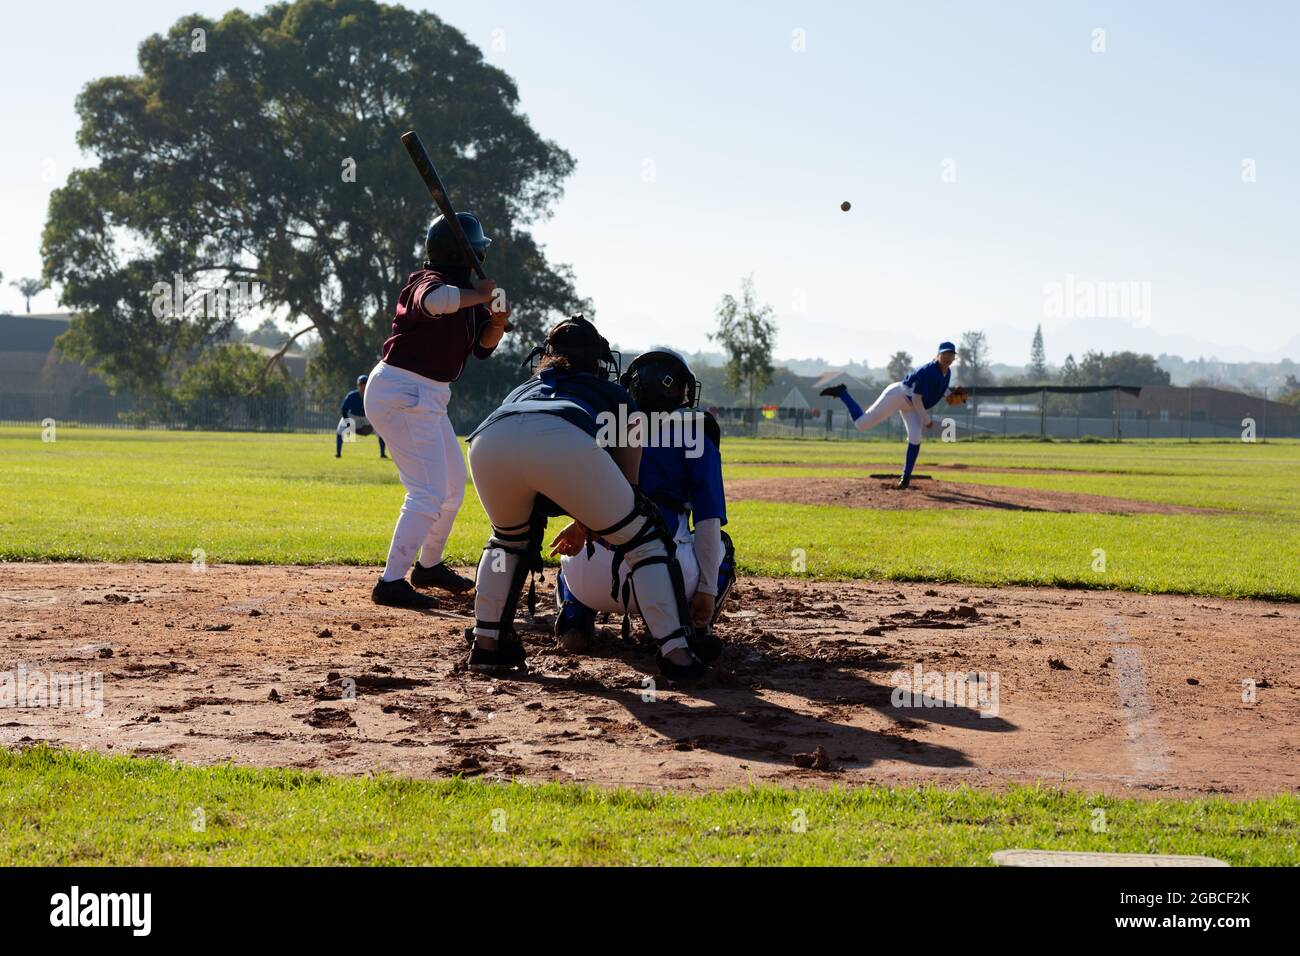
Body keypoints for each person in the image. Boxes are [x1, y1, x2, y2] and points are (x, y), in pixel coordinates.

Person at [465, 317, 719, 681]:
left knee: (507, 540)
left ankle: (487, 645)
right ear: (599, 363)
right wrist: (599, 520)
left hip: (488, 437)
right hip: (563, 432)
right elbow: (626, 484)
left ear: (546, 356)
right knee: (646, 538)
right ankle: (677, 654)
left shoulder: (523, 388)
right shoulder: (615, 396)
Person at [363, 212, 510, 609]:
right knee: (426, 492)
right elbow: (434, 302)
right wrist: (481, 294)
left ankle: (427, 566)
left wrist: (496, 320)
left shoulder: (465, 291)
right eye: (478, 248)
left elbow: (483, 347)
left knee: (450, 487)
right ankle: (390, 582)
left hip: (426, 395)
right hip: (402, 391)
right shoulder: (428, 283)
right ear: (466, 253)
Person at [549, 347, 735, 654]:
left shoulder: (608, 427)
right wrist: (706, 590)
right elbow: (707, 524)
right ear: (682, 391)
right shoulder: (695, 437)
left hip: (588, 579)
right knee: (722, 546)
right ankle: (686, 626)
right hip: (660, 580)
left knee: (577, 539)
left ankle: (574, 616)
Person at [821, 342, 969, 488]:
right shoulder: (929, 370)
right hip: (898, 395)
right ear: (938, 355)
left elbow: (939, 389)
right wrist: (927, 420)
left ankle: (905, 478)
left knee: (916, 438)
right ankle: (842, 393)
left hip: (911, 405)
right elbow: (917, 399)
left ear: (954, 358)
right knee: (861, 424)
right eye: (944, 354)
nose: (947, 357)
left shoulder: (947, 373)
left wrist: (950, 394)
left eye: (951, 354)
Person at [336, 374, 386, 459]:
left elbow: (378, 409)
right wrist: (347, 422)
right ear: (358, 385)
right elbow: (344, 409)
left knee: (381, 432)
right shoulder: (352, 396)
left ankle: (382, 454)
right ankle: (338, 454)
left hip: (367, 417)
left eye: (365, 384)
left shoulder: (372, 396)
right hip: (353, 416)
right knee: (339, 431)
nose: (363, 387)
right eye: (361, 384)